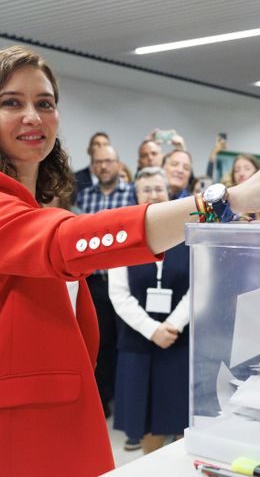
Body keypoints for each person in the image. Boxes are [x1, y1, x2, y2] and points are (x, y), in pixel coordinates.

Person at [0, 46, 260, 476]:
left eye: (45, 103)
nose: (33, 116)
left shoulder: (31, 206)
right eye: (11, 102)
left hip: (50, 414)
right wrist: (225, 201)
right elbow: (63, 242)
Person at [108, 168, 190, 454]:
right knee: (148, 423)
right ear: (136, 194)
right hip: (138, 343)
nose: (153, 195)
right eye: (146, 190)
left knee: (182, 421)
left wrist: (174, 325)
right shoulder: (123, 237)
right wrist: (152, 330)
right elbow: (118, 293)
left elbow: (199, 285)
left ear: (169, 193)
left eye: (158, 189)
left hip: (180, 341)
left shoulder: (187, 233)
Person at [76, 143, 136, 418]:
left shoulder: (131, 194)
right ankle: (102, 400)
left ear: (118, 164)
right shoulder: (83, 196)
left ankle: (122, 398)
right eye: (98, 162)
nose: (103, 166)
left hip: (124, 280)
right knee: (99, 341)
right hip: (94, 282)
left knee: (124, 342)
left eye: (108, 161)